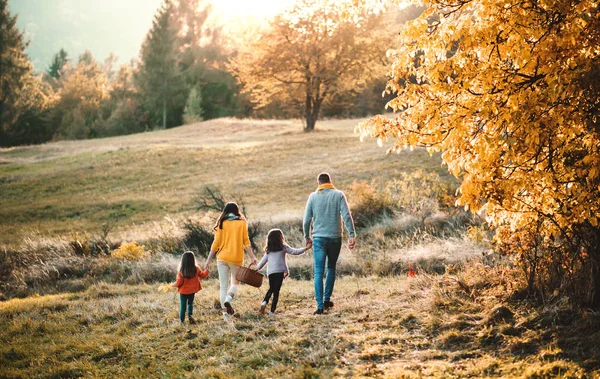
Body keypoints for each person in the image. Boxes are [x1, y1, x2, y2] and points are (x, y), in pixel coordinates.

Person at [303, 172, 356, 315]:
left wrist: (306, 236)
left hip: (319, 239)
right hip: (335, 238)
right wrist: (352, 234)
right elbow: (346, 215)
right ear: (330, 181)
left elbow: (306, 220)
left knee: (318, 272)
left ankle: (320, 306)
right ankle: (327, 299)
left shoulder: (313, 197)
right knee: (331, 267)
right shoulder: (338, 195)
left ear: (318, 183)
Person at [204, 202, 257, 321]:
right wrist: (252, 257)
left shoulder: (221, 223)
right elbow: (246, 241)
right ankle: (228, 300)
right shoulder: (242, 222)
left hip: (221, 258)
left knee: (223, 287)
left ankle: (225, 315)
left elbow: (215, 244)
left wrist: (208, 260)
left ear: (225, 211)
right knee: (235, 284)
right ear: (237, 211)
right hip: (235, 258)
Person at [256, 229, 312, 316]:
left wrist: (255, 269)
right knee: (276, 291)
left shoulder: (268, 250)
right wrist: (306, 248)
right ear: (280, 238)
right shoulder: (283, 247)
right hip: (279, 272)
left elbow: (262, 262)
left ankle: (264, 302)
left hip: (270, 272)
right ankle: (271, 311)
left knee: (271, 288)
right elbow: (295, 251)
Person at [173, 251, 209, 325]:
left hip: (183, 292)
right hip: (192, 291)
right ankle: (190, 317)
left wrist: (173, 285)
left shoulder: (181, 270)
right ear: (193, 259)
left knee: (183, 306)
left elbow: (179, 282)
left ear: (183, 260)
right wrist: (207, 270)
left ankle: (182, 322)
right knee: (190, 304)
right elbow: (202, 275)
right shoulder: (196, 268)